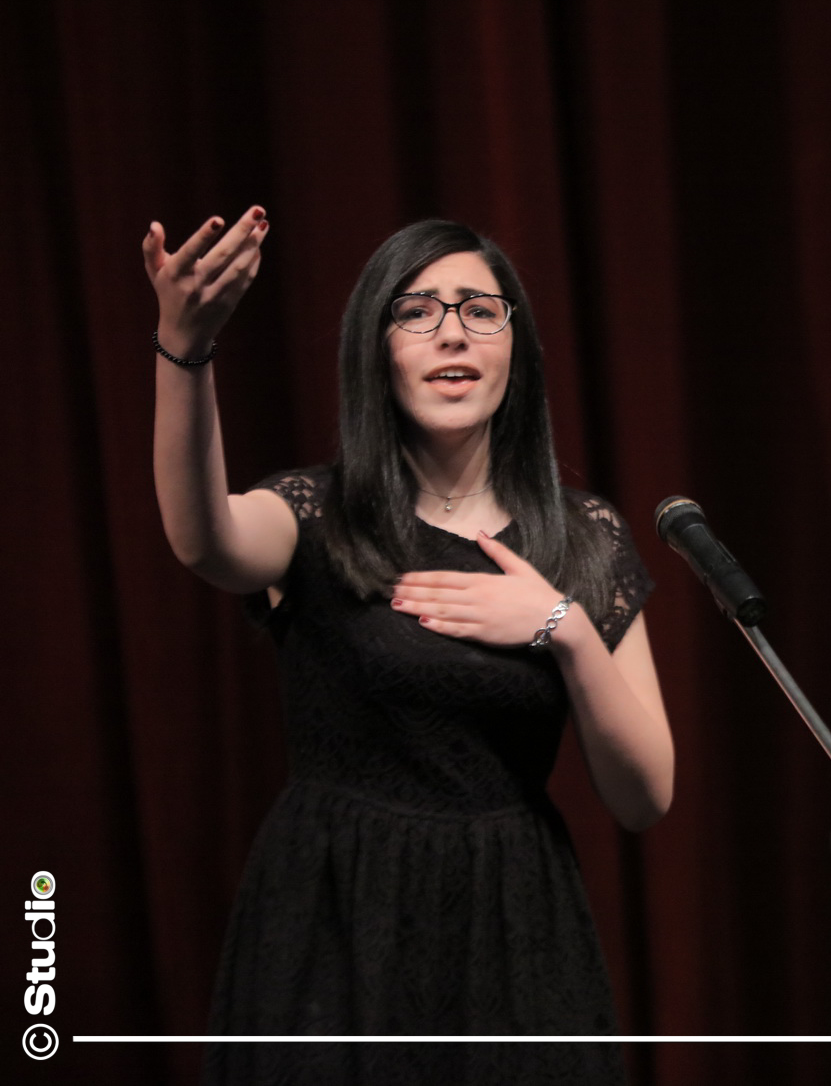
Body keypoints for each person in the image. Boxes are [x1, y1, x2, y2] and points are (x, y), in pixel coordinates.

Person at [144, 207, 673, 1084]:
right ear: (376, 350)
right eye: (417, 311)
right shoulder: (317, 515)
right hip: (336, 911)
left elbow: (645, 794)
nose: (451, 332)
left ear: (515, 349)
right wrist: (185, 350)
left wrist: (564, 627)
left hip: (513, 924)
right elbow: (203, 539)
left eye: (480, 309)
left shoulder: (585, 537)